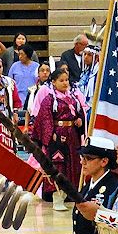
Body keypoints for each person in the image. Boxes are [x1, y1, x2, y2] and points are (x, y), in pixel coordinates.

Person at [31, 67, 85, 210]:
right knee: (58, 166)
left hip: (72, 136)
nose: (65, 83)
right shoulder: (49, 99)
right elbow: (44, 118)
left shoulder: (73, 98)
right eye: (61, 80)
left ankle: (70, 194)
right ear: (53, 82)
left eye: (66, 80)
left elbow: (80, 113)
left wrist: (80, 120)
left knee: (73, 166)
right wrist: (51, 133)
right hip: (57, 137)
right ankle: (57, 198)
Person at [23, 61, 51, 131]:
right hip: (35, 123)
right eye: (42, 70)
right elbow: (27, 110)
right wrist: (26, 126)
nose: (45, 72)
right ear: (38, 73)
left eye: (47, 70)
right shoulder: (32, 90)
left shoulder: (54, 90)